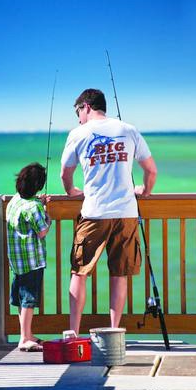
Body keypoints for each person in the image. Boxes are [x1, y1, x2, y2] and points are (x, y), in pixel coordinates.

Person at [60, 88, 157, 336]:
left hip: (94, 212)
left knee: (79, 271)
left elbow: (65, 173)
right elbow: (151, 170)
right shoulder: (129, 130)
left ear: (86, 107)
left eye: (77, 111)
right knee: (119, 273)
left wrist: (71, 191)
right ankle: (114, 331)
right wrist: (145, 190)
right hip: (126, 212)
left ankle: (73, 332)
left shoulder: (78, 134)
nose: (78, 117)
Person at [6, 162, 51, 351]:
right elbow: (42, 231)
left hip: (17, 260)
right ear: (38, 186)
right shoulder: (34, 207)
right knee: (29, 300)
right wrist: (49, 217)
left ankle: (26, 334)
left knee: (21, 297)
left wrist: (39, 203)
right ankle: (24, 339)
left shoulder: (15, 201)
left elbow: (27, 215)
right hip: (32, 261)